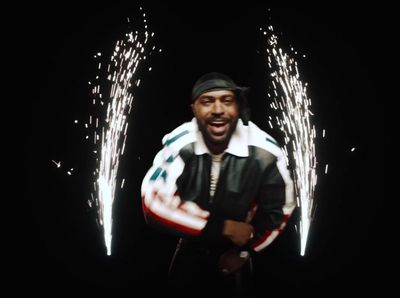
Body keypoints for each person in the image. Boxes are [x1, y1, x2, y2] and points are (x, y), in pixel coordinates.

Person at [141, 72, 296, 295]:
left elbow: (282, 209)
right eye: (207, 101)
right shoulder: (182, 141)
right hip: (190, 245)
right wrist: (224, 227)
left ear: (238, 108)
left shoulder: (266, 151)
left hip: (236, 250)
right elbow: (153, 202)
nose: (217, 110)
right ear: (194, 109)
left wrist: (246, 252)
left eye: (226, 100)